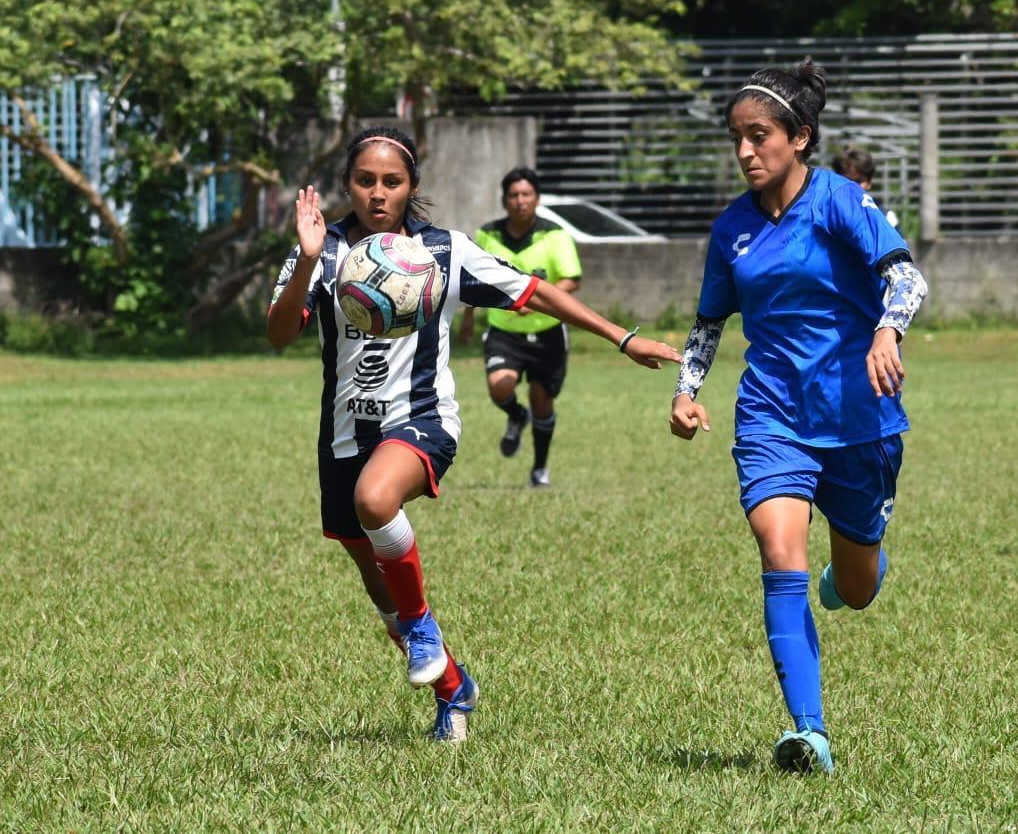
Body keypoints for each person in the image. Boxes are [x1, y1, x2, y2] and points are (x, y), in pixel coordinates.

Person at [267, 126, 680, 743]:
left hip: (423, 420)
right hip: (344, 437)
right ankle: (453, 688)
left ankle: (424, 629)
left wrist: (622, 337)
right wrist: (304, 258)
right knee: (386, 600)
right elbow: (278, 333)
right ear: (347, 184)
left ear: (411, 187)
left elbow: (532, 293)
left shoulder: (444, 252)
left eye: (392, 181)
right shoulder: (322, 252)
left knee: (378, 502)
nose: (378, 194)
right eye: (364, 181)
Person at [669, 60, 927, 775]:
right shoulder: (732, 229)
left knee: (859, 587)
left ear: (800, 137)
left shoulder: (840, 200)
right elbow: (708, 321)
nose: (747, 151)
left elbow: (907, 276)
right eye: (738, 139)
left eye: (760, 137)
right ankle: (809, 732)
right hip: (771, 414)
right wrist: (687, 389)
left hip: (858, 419)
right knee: (779, 549)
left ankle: (849, 577)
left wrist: (886, 330)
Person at [460, 167, 582, 488]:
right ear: (504, 201)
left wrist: (539, 299)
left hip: (548, 332)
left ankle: (540, 469)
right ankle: (516, 415)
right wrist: (469, 317)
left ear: (537, 199)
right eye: (513, 195)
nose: (520, 201)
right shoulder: (488, 235)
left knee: (542, 398)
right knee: (500, 385)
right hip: (504, 331)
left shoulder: (554, 235)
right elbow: (474, 280)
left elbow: (572, 278)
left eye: (526, 194)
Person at [832, 146, 899, 227]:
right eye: (847, 180)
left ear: (869, 183)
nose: (853, 186)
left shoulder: (885, 217)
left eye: (858, 181)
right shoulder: (826, 214)